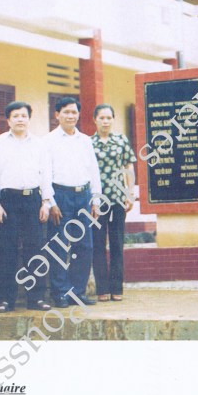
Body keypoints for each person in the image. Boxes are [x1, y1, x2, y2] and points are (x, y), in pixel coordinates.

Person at [0, 101, 53, 313]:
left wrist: (46, 202)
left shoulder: (39, 144)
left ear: (29, 119)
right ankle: (6, 299)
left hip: (33, 200)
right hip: (7, 201)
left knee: (35, 250)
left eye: (24, 116)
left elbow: (46, 174)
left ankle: (36, 298)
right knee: (7, 251)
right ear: (8, 120)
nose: (20, 119)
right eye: (15, 116)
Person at [43, 97, 102, 308]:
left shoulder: (85, 140)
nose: (70, 116)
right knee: (59, 246)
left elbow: (93, 170)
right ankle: (60, 292)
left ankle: (77, 292)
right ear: (57, 115)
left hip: (83, 196)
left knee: (85, 245)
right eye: (66, 112)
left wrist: (95, 199)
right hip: (60, 196)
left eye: (74, 112)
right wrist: (50, 202)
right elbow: (45, 173)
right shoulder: (48, 141)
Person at [90, 104, 136, 302]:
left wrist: (129, 192)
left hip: (118, 199)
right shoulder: (88, 143)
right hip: (97, 201)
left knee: (117, 243)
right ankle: (102, 289)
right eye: (102, 118)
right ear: (95, 120)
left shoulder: (121, 140)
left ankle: (117, 288)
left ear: (113, 119)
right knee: (98, 244)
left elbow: (128, 165)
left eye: (109, 118)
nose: (105, 121)